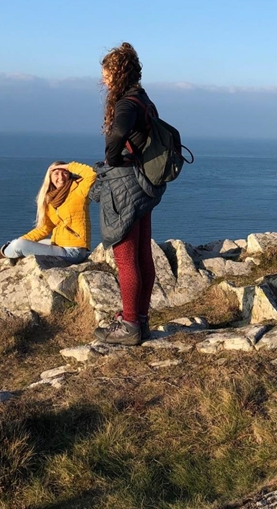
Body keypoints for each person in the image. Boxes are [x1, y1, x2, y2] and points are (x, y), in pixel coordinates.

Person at [90, 42, 165, 346]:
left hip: (125, 184)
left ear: (117, 73)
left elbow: (119, 132)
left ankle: (130, 325)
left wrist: (111, 158)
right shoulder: (144, 100)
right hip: (144, 183)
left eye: (106, 74)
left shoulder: (125, 103)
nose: (103, 80)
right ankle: (140, 320)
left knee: (125, 257)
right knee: (142, 254)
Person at [0, 161, 96, 274]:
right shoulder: (50, 199)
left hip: (74, 252)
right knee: (23, 244)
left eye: (64, 173)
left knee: (19, 246)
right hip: (60, 245)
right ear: (49, 178)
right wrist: (21, 241)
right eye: (56, 173)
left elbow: (91, 173)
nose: (60, 176)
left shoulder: (78, 190)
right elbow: (44, 229)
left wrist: (67, 165)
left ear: (69, 174)